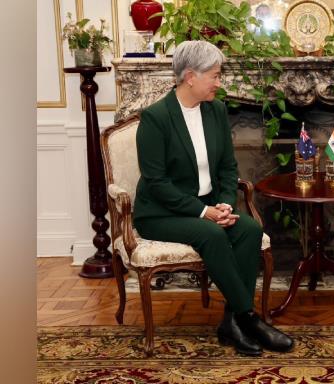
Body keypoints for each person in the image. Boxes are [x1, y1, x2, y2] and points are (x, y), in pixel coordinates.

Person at [133, 40, 293, 356]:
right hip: (160, 214)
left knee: (248, 229)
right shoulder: (155, 118)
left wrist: (223, 204)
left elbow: (226, 166)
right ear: (190, 76)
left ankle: (231, 322)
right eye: (215, 76)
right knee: (211, 233)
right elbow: (157, 183)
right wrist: (204, 212)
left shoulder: (215, 110)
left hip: (207, 205)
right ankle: (250, 318)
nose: (219, 83)